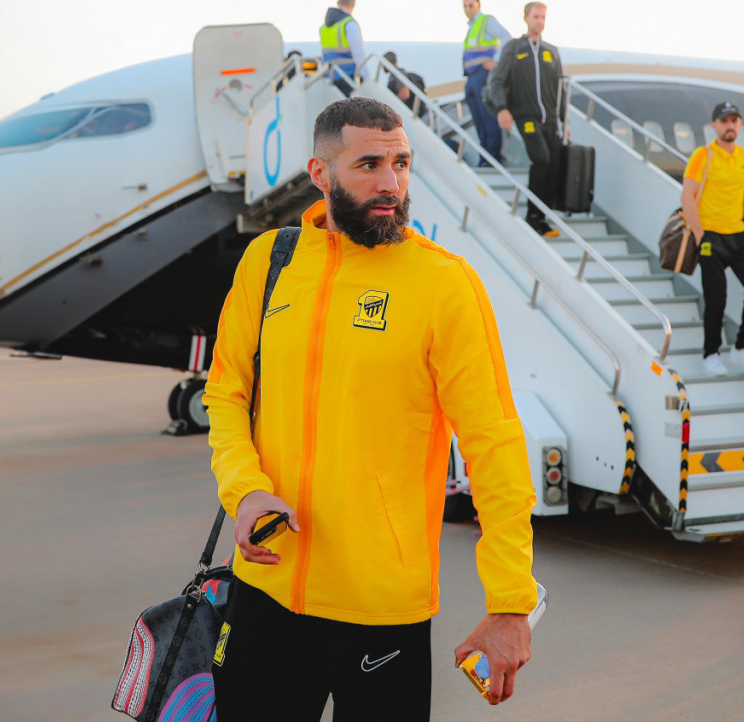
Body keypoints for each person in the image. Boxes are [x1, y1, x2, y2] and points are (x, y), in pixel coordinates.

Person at [203, 97, 538, 720]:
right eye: (369, 165)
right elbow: (226, 394)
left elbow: (493, 443)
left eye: (401, 164)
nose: (391, 184)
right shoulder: (269, 263)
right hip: (266, 592)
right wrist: (244, 491)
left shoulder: (444, 284)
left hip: (384, 611)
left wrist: (511, 602)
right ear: (320, 173)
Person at [681, 101, 744, 377]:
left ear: (739, 124)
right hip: (711, 235)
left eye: (734, 120)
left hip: (741, 234)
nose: (730, 125)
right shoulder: (703, 155)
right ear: (714, 126)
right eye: (724, 121)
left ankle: (742, 348)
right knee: (716, 298)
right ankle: (711, 354)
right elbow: (687, 197)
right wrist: (700, 235)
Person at [486, 1, 567, 235]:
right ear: (526, 18)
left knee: (554, 166)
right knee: (541, 159)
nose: (540, 21)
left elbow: (560, 89)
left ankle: (542, 216)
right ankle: (532, 216)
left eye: (543, 17)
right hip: (526, 117)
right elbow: (498, 81)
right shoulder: (514, 47)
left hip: (550, 119)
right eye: (536, 17)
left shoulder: (551, 51)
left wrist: (564, 120)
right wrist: (502, 109)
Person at [461, 0, 512, 166]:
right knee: (479, 121)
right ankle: (485, 157)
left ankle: (493, 157)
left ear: (478, 5)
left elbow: (507, 38)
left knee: (488, 117)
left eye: (471, 5)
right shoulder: (472, 26)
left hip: (483, 75)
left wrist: (495, 60)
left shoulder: (486, 21)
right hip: (471, 76)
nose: (468, 9)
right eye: (465, 6)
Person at [320, 0, 365, 96]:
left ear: (338, 3)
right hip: (348, 77)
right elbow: (358, 54)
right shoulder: (349, 24)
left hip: (331, 78)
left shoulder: (324, 28)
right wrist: (366, 77)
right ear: (353, 5)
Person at [382, 51, 426, 117]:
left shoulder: (398, 74)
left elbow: (405, 94)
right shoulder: (395, 75)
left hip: (408, 113)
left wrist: (391, 105)